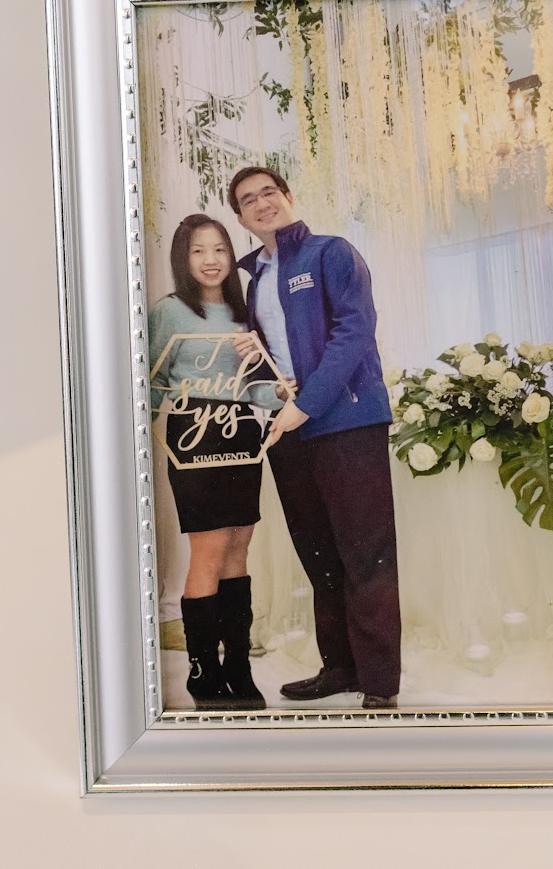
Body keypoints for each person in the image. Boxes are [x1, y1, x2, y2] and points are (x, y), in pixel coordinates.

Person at [227, 166, 402, 710]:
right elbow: (281, 356)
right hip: (289, 429)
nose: (262, 203)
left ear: (288, 197)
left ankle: (379, 683)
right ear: (241, 218)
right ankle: (340, 668)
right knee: (319, 554)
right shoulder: (254, 278)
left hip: (346, 421)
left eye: (269, 192)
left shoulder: (330, 253)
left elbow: (354, 333)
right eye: (248, 200)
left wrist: (306, 405)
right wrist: (259, 360)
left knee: (366, 554)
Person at [147, 214, 284, 711]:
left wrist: (280, 390)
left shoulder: (246, 315)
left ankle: (239, 668)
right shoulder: (168, 312)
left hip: (243, 432)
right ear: (183, 259)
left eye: (220, 249)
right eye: (198, 251)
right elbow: (151, 381)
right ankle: (203, 674)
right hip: (194, 431)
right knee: (207, 552)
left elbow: (257, 389)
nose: (211, 260)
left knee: (238, 549)